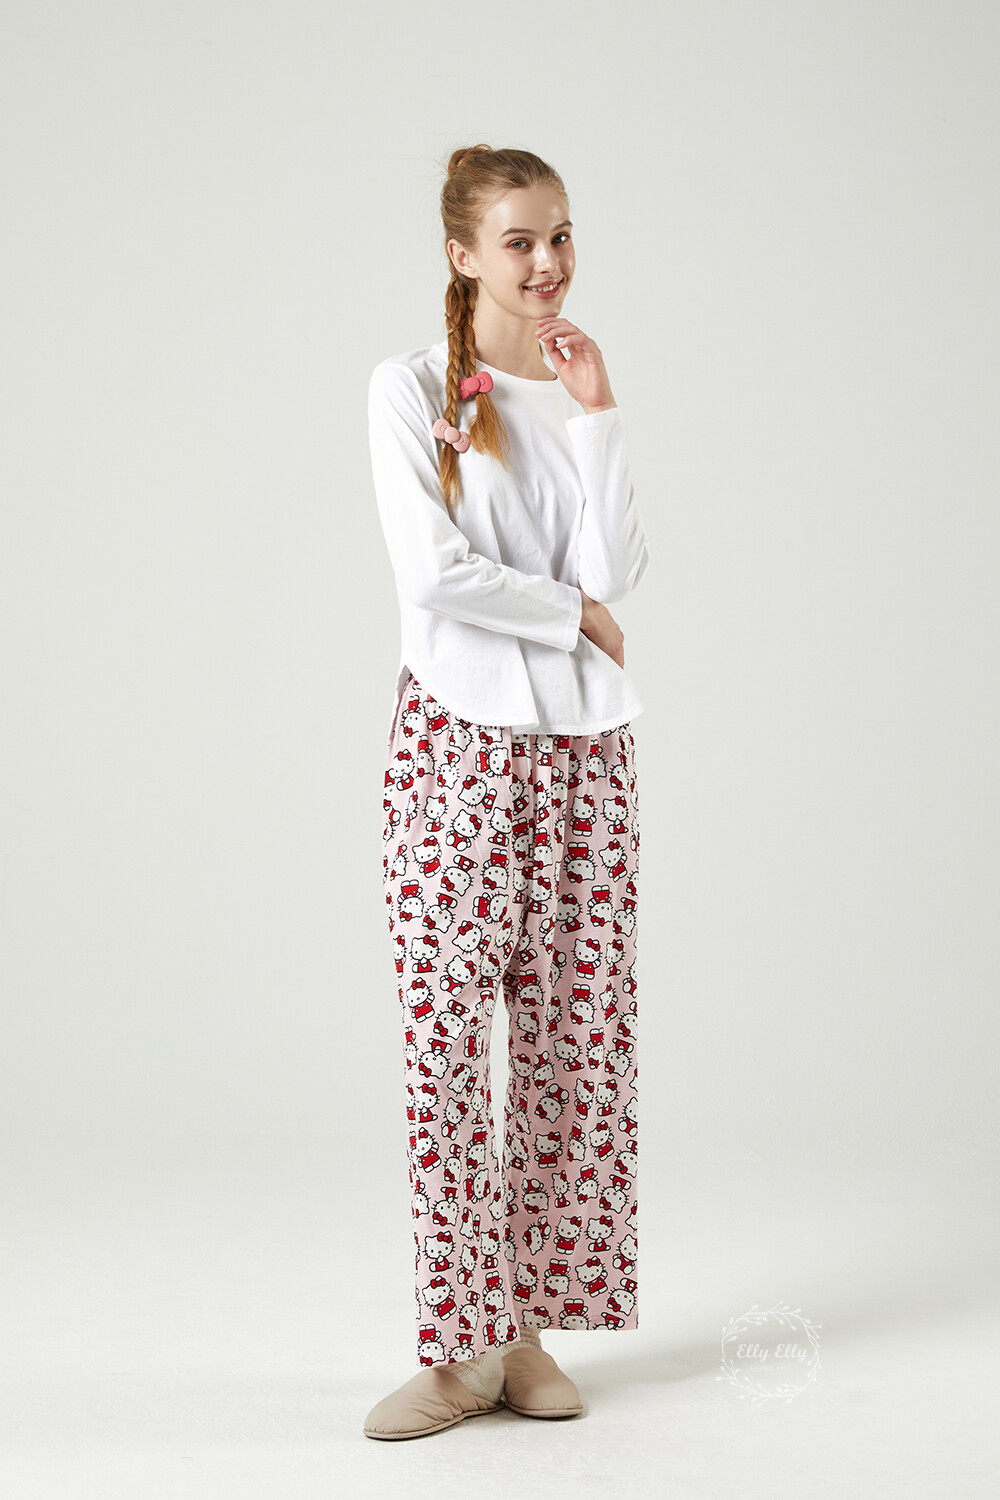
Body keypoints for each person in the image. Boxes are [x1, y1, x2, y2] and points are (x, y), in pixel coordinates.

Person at [363, 144, 650, 1441]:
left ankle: (525, 1336)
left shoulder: (568, 389)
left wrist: (600, 414)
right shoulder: (410, 388)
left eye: (561, 236)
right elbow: (432, 572)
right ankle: (454, 1349)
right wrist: (569, 614)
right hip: (458, 744)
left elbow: (618, 567)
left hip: (588, 752)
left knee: (570, 1045)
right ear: (463, 254)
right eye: (521, 240)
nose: (548, 263)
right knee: (444, 1047)